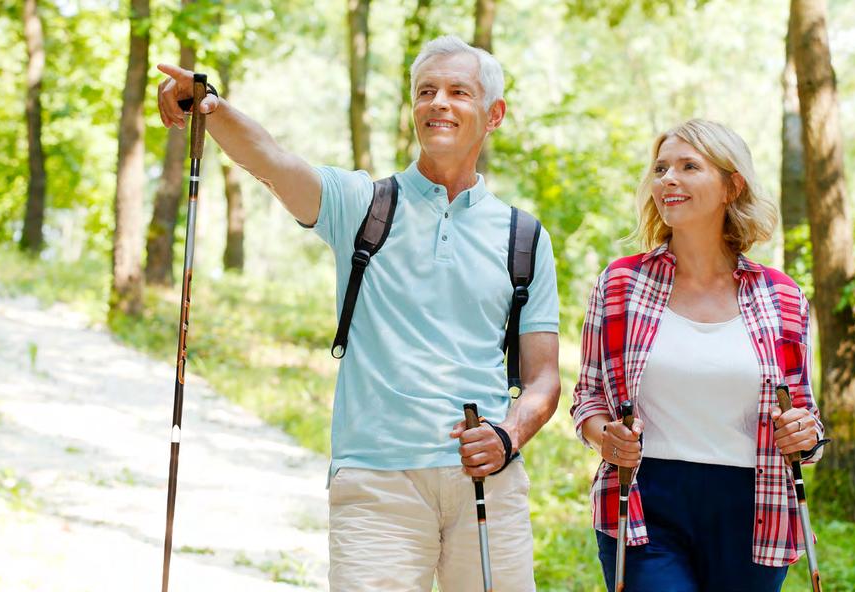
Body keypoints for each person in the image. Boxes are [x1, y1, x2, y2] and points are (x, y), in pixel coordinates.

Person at [156, 35, 560, 591]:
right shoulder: (361, 205)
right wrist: (211, 108)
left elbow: (543, 378)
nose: (438, 102)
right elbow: (271, 160)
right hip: (377, 483)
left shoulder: (525, 237)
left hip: (487, 484)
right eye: (426, 91)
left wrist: (508, 435)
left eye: (458, 91)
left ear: (494, 115)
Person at [570, 119, 826, 592]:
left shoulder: (782, 296)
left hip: (755, 507)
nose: (668, 178)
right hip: (646, 498)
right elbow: (587, 397)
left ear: (732, 186)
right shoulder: (621, 284)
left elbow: (804, 418)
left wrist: (806, 432)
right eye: (661, 168)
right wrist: (605, 436)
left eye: (689, 166)